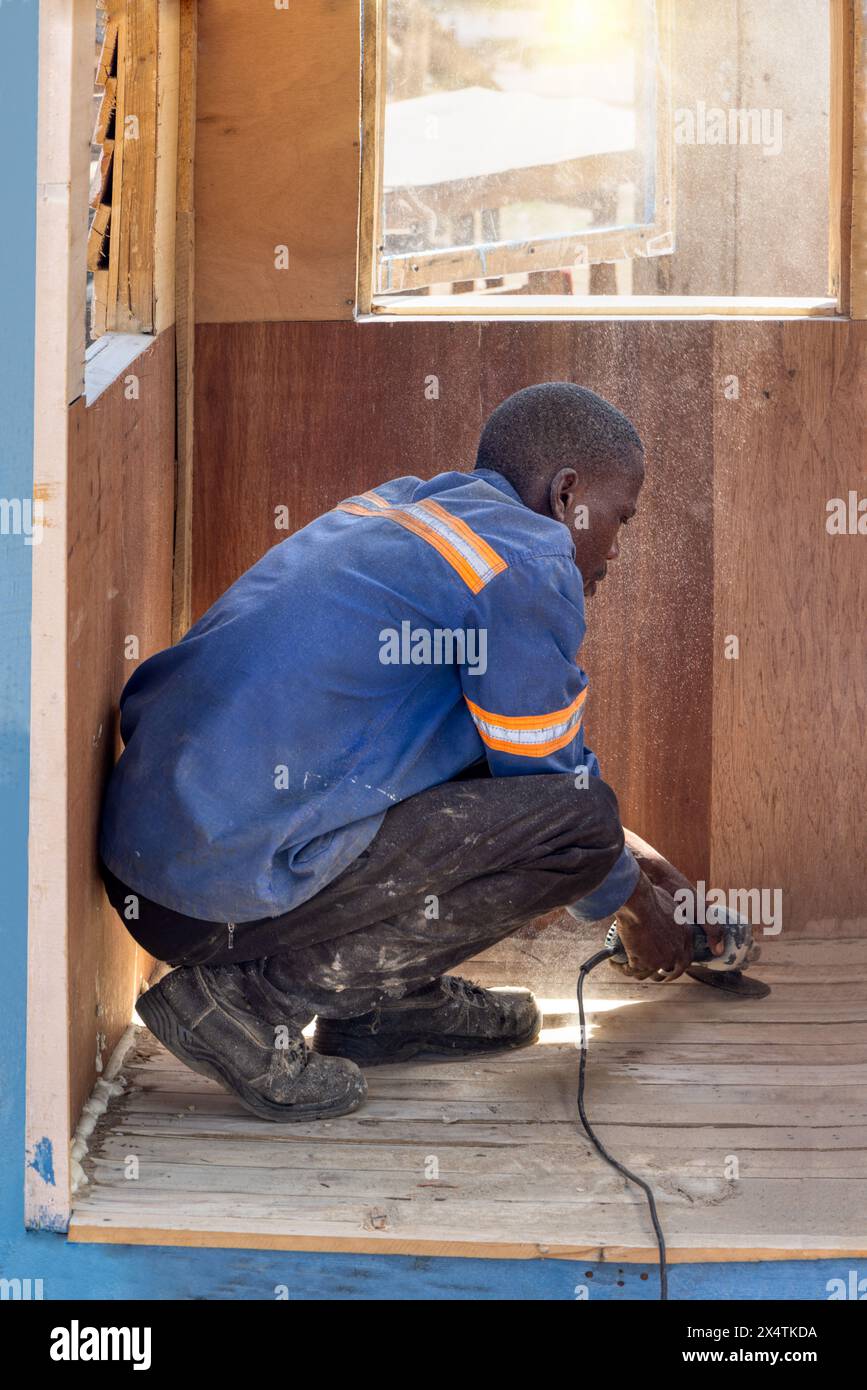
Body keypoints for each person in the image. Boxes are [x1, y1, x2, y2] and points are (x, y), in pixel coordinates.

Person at [99, 382, 721, 1121]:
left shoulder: (405, 511)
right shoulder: (524, 562)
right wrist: (636, 911)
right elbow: (562, 810)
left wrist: (641, 867)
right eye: (619, 519)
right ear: (565, 494)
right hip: (216, 891)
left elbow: (522, 779)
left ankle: (381, 1008)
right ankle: (243, 1004)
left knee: (561, 812)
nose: (613, 552)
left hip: (159, 863)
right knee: (582, 829)